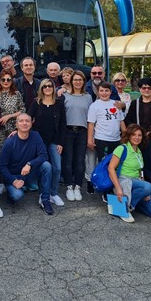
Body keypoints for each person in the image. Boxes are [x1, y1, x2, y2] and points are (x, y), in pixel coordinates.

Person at [0, 113, 54, 215]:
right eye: (21, 121)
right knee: (17, 195)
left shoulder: (36, 136)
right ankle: (10, 192)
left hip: (29, 173)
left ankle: (45, 199)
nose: (24, 123)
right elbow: (2, 166)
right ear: (16, 125)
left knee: (46, 166)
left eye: (27, 121)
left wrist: (30, 164)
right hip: (14, 176)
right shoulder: (10, 142)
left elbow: (43, 155)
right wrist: (13, 181)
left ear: (31, 124)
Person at [108, 124, 151, 223]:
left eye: (139, 135)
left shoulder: (139, 152)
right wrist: (118, 188)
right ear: (128, 136)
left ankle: (132, 204)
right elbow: (111, 168)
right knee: (148, 186)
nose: (137, 137)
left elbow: (140, 172)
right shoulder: (122, 148)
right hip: (124, 180)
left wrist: (145, 192)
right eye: (134, 134)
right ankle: (126, 208)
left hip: (136, 182)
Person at [28, 78, 66, 206]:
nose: (48, 88)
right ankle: (43, 194)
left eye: (50, 86)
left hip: (55, 140)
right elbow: (28, 119)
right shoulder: (36, 103)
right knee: (43, 167)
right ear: (41, 89)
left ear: (54, 88)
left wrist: (61, 142)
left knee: (57, 168)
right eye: (45, 86)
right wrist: (18, 131)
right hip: (40, 141)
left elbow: (63, 124)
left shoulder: (59, 103)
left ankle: (53, 193)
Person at [86, 81, 126, 195]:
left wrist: (125, 135)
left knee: (115, 164)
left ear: (111, 92)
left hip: (116, 139)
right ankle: (105, 190)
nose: (104, 93)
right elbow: (91, 124)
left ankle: (112, 187)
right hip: (102, 139)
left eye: (106, 91)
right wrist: (89, 140)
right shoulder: (95, 105)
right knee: (104, 164)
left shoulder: (116, 104)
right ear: (98, 92)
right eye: (102, 91)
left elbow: (121, 121)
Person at [61, 70, 92, 202]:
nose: (78, 82)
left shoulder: (88, 97)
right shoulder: (64, 95)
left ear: (83, 81)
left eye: (80, 79)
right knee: (68, 160)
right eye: (75, 79)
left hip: (82, 132)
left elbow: (91, 118)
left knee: (80, 160)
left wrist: (91, 136)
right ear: (71, 81)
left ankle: (77, 187)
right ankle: (69, 186)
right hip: (68, 131)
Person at [0, 69, 26, 193]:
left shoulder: (16, 94)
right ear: (0, 81)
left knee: (15, 156)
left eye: (8, 79)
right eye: (3, 79)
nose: (6, 82)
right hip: (0, 130)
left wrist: (9, 116)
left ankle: (15, 181)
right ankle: (1, 182)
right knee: (0, 156)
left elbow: (22, 110)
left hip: (14, 129)